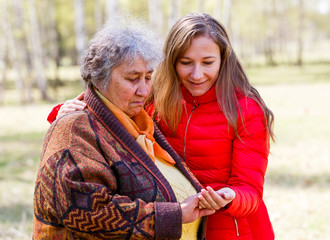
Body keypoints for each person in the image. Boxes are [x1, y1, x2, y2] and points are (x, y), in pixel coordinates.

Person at [47, 13, 275, 240]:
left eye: (207, 62)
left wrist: (231, 196)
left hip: (230, 229)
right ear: (172, 61)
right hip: (173, 226)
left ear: (223, 58)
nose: (197, 74)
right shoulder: (154, 97)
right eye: (186, 63)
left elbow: (250, 191)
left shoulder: (245, 110)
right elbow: (108, 101)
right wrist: (66, 110)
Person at [34, 20, 217, 240]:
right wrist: (173, 216)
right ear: (101, 78)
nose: (144, 90)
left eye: (148, 77)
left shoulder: (139, 124)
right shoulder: (74, 129)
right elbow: (86, 210)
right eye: (132, 78)